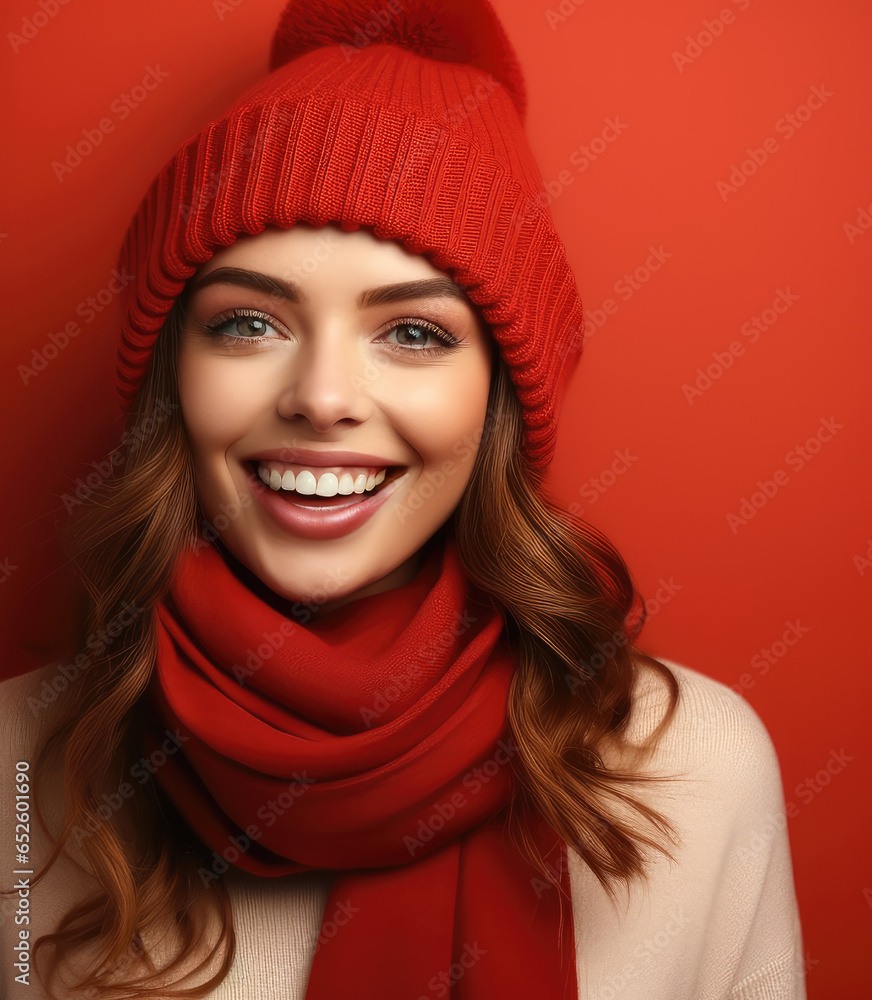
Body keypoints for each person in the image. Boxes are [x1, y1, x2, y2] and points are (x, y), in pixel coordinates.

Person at [0, 0, 805, 997]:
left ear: (500, 395)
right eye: (249, 323)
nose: (322, 397)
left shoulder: (696, 763)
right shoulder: (21, 761)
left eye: (413, 333)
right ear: (174, 377)